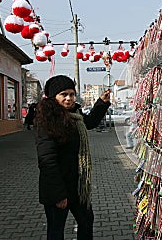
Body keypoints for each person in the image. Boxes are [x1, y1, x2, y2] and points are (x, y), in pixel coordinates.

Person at [34, 75, 111, 240]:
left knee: (86, 221)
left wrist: (101, 103)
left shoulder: (75, 115)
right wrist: (59, 195)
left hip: (77, 185)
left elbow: (89, 122)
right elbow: (47, 160)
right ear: (54, 96)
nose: (69, 98)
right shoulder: (48, 120)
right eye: (64, 94)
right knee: (56, 230)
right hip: (58, 187)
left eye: (71, 94)